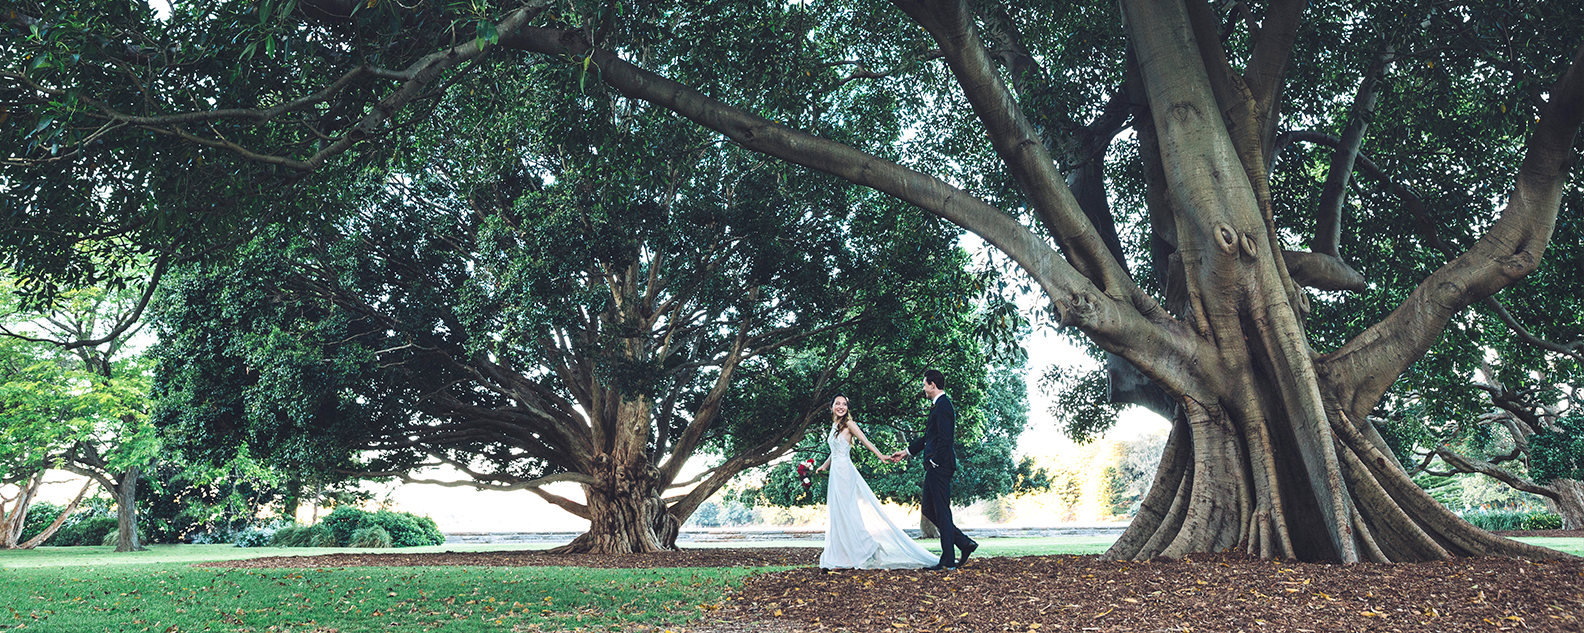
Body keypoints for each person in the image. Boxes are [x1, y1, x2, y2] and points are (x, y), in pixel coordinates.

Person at [815, 394, 939, 570]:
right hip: (835, 472)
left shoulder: (850, 424)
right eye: (837, 404)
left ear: (847, 407)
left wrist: (880, 456)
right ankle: (844, 558)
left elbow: (865, 441)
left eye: (844, 404)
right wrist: (823, 466)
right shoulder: (834, 426)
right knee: (839, 515)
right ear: (831, 407)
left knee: (848, 513)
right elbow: (834, 451)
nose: (841, 407)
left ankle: (870, 548)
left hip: (845, 473)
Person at [888, 369, 978, 570]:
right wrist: (906, 452)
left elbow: (946, 438)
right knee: (929, 509)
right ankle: (964, 543)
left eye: (924, 384)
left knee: (942, 511)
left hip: (940, 466)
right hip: (935, 466)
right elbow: (930, 436)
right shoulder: (937, 407)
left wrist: (935, 461)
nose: (923, 388)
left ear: (932, 385)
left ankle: (947, 561)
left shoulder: (944, 405)